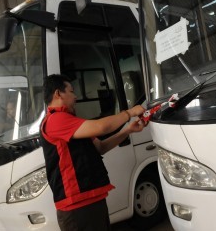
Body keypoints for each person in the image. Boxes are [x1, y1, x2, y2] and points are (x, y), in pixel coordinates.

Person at [40, 74, 146, 231]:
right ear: (58, 94)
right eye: (71, 91)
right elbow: (101, 127)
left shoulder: (70, 122)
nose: (76, 96)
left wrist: (127, 130)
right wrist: (129, 113)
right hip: (77, 207)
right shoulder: (55, 120)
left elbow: (100, 147)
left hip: (90, 199)